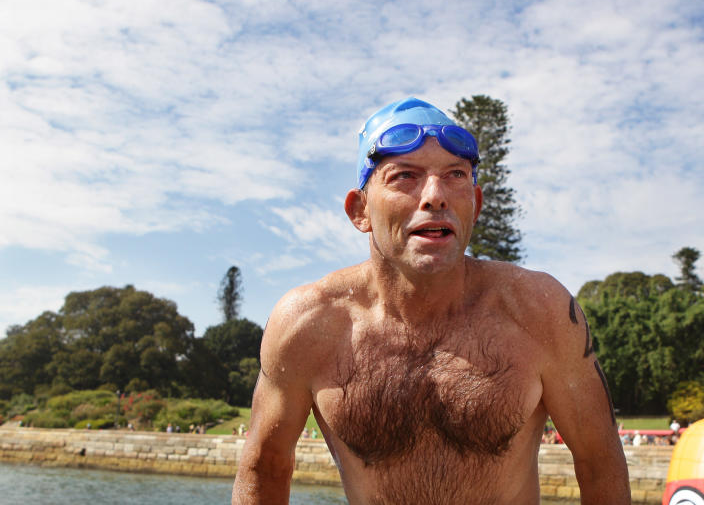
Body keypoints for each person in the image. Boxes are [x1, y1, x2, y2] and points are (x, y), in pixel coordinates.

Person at [232, 97, 630, 504]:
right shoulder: (310, 323)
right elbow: (266, 466)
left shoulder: (539, 311)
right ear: (360, 210)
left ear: (475, 204)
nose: (435, 196)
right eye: (405, 176)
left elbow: (599, 462)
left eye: (455, 175)